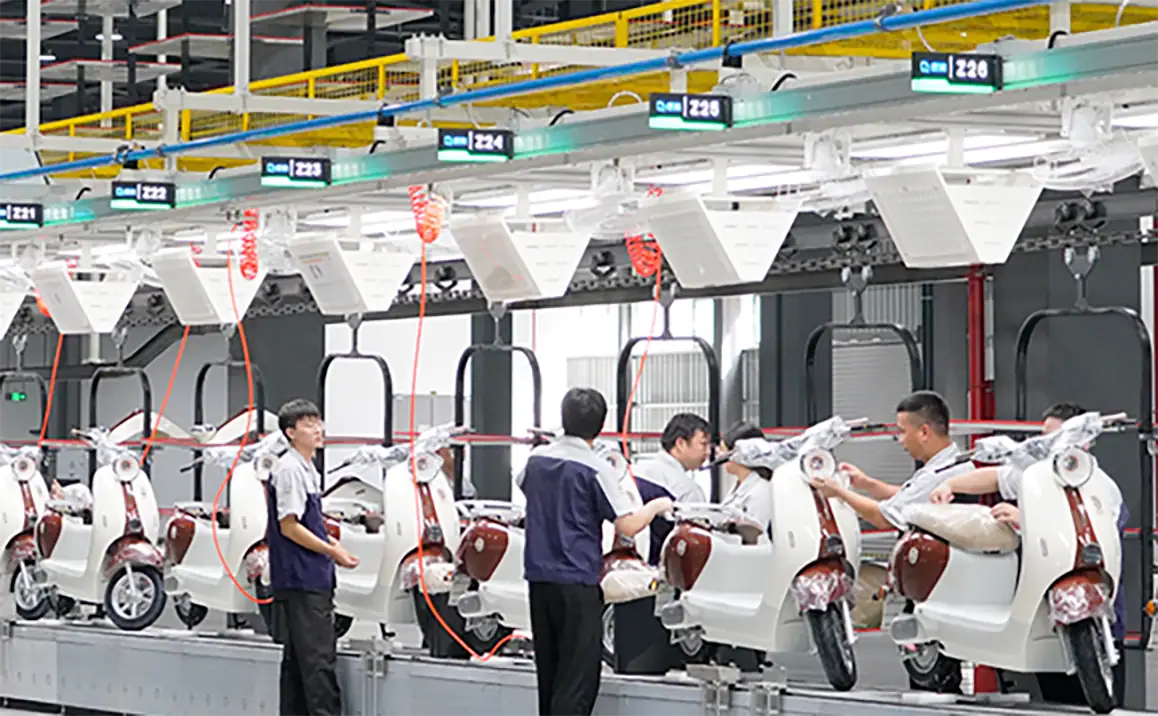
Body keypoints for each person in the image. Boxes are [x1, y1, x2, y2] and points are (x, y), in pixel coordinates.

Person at [929, 401, 1127, 708]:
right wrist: (950, 484)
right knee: (1055, 704)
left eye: (1055, 436)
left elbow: (1090, 533)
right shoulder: (1037, 477)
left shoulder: (1100, 486)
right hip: (1047, 613)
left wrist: (1024, 518)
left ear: (1083, 441)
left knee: (1099, 697)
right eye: (1043, 436)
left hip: (1096, 617)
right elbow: (998, 476)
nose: (1046, 445)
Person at [518, 387, 674, 716]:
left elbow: (524, 486)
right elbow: (628, 525)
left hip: (539, 579)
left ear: (563, 418)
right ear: (601, 425)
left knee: (550, 672)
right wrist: (656, 506)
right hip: (577, 580)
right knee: (577, 679)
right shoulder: (594, 467)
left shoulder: (536, 460)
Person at [266, 399, 360, 716]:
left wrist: (334, 545)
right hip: (303, 578)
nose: (318, 429)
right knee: (318, 661)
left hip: (306, 575)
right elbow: (289, 526)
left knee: (297, 663)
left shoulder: (306, 468)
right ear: (290, 433)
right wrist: (331, 551)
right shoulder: (291, 470)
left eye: (318, 421)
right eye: (308, 424)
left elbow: (310, 523)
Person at [811, 390, 975, 530]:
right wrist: (867, 483)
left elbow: (882, 517)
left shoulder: (938, 475)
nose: (900, 439)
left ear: (924, 432)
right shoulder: (952, 463)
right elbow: (908, 496)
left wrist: (838, 492)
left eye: (902, 431)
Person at [631, 413, 711, 563]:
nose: (708, 452)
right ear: (680, 443)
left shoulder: (635, 470)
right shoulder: (688, 490)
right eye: (703, 444)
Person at [717, 421, 776, 530]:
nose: (719, 455)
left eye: (722, 450)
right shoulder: (739, 485)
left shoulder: (761, 491)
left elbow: (757, 534)